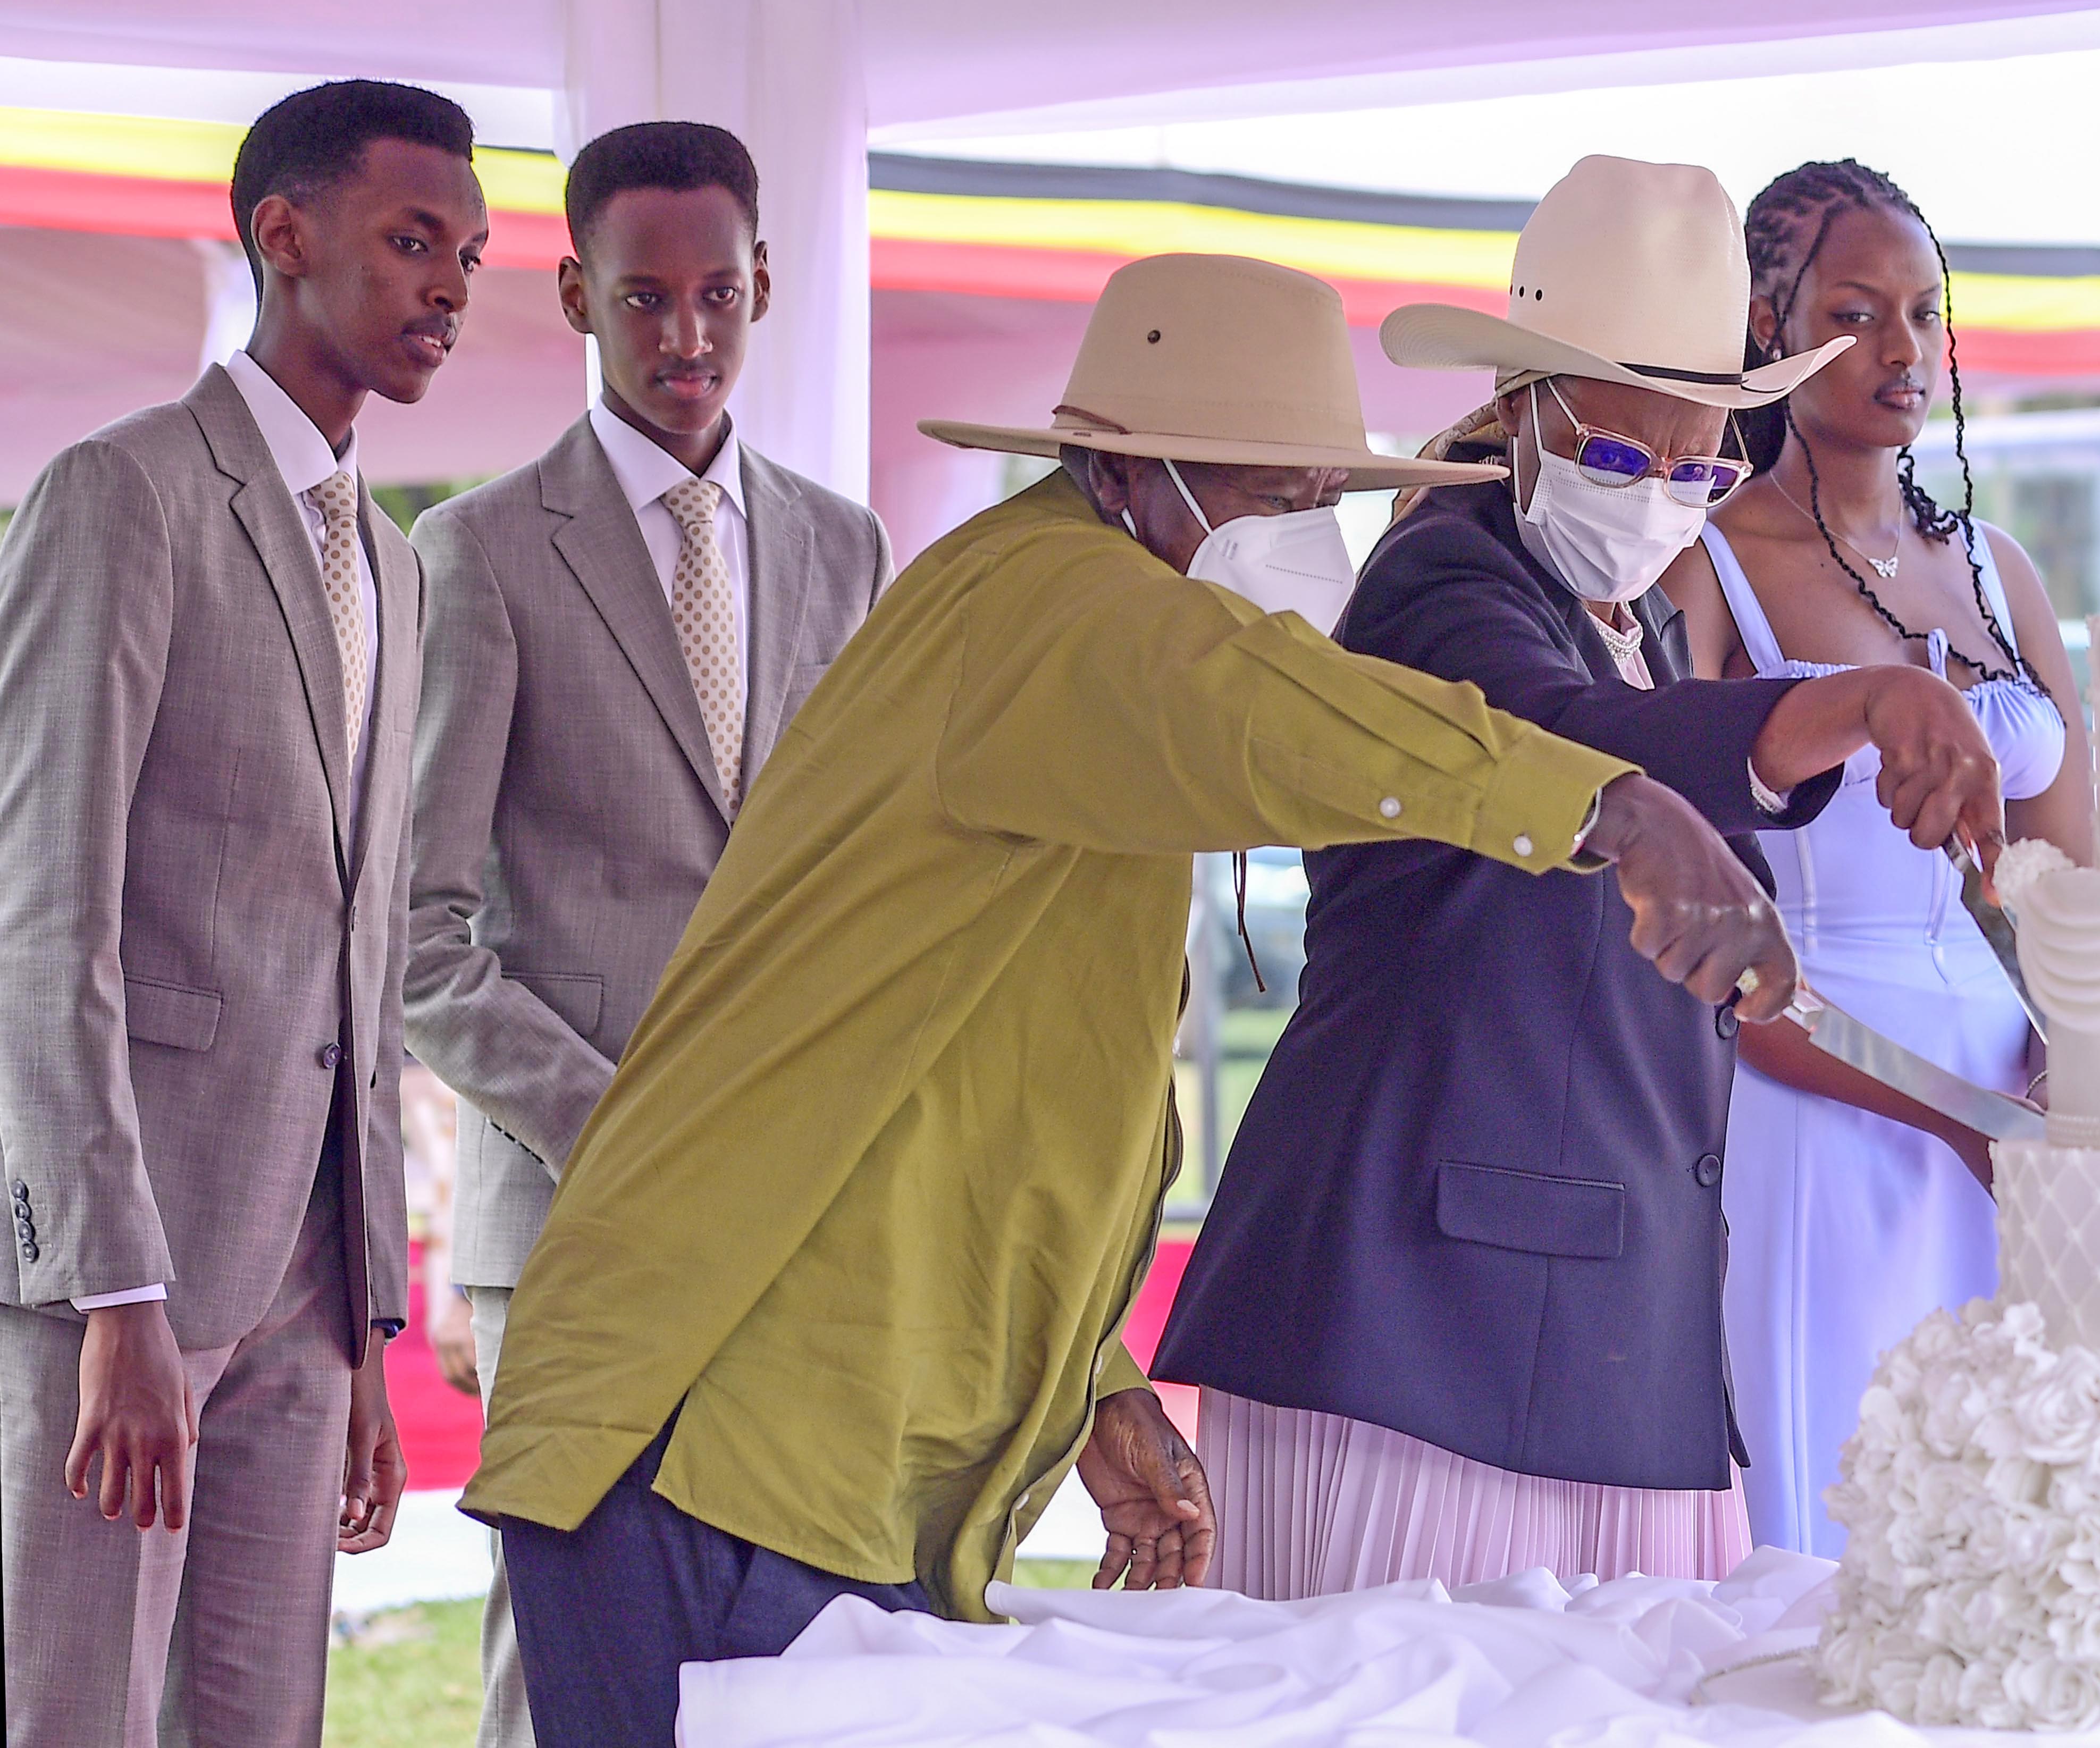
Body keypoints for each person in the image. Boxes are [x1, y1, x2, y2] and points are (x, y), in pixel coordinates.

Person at [459, 250, 1799, 1748]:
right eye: (1278, 499)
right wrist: (1617, 806)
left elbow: (1005, 1088)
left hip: (827, 1437)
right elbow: (1274, 702)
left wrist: (1092, 1381)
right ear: (1128, 469)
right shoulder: (1057, 604)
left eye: (1322, 502)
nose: (1309, 543)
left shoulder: (1079, 670)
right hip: (716, 1423)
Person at [1156, 157, 2012, 1599]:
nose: (1666, 499)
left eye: (1703, 469)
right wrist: (1854, 701)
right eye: (1624, 461)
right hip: (1423, 1337)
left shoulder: (1624, 614)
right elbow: (1567, 750)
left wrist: (1983, 1113)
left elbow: (1737, 984)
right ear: (1522, 410)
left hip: (1613, 1336)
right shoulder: (1445, 585)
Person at [0, 79, 485, 1747]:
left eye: (469, 258)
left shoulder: (398, 565)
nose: (448, 288)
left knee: (266, 1724)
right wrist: (113, 1300)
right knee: (79, 1716)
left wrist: (358, 1327)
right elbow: (43, 919)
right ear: (284, 235)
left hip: (308, 1279)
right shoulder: (119, 496)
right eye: (411, 242)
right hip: (124, 1277)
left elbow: (356, 950)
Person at [404, 120, 892, 1748]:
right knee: (559, 1666)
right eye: (644, 302)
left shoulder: (845, 544)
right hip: (580, 1212)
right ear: (574, 299)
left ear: (765, 285)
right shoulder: (475, 554)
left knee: (786, 1649)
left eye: (718, 297)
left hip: (805, 1211)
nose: (686, 339)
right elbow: (417, 934)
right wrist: (626, 1127)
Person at [1657, 159, 2096, 1560]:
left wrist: (2060, 1075)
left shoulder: (2000, 571)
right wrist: (1957, 1119)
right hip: (1814, 1088)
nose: (1906, 350)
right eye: (1860, 314)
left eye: (1925, 312)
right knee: (1842, 1512)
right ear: (1772, 326)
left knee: (2019, 1518)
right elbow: (1701, 940)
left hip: (2011, 1098)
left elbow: (2084, 878)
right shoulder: (1706, 568)